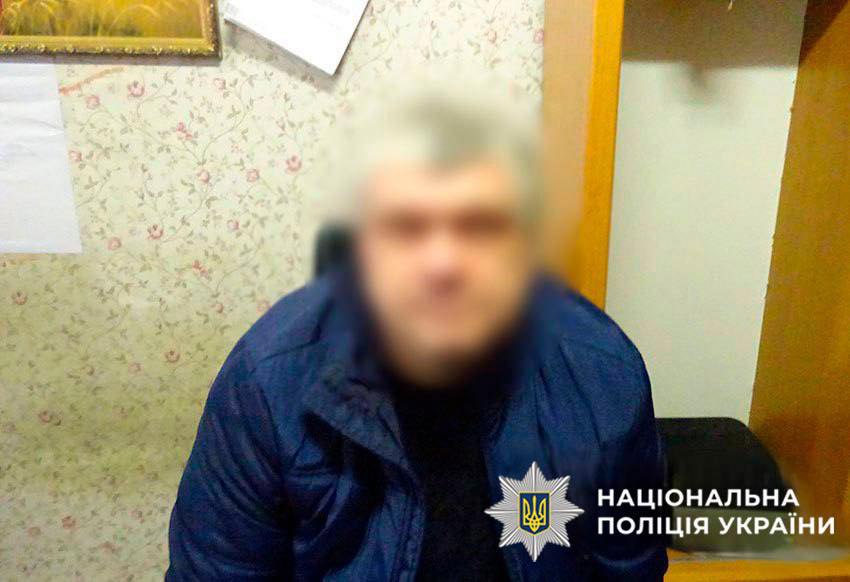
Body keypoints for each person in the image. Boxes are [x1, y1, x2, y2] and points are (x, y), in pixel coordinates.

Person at [166, 90, 668, 581]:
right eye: (406, 227)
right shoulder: (267, 380)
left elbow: (632, 569)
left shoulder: (604, 374)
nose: (443, 264)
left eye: (478, 226)